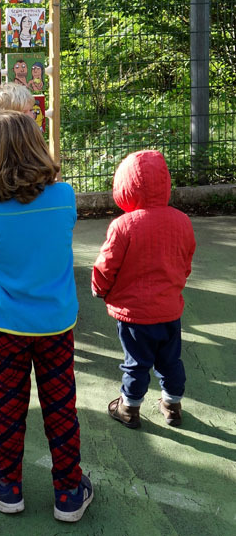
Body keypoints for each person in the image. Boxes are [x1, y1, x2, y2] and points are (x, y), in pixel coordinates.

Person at [0, 111, 93, 522]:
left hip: (7, 326)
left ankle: (7, 485)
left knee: (9, 404)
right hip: (55, 325)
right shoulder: (66, 196)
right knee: (61, 406)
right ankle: (69, 491)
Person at [92, 150, 196, 429]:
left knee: (136, 363)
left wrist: (99, 288)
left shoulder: (123, 225)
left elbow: (107, 265)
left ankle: (128, 407)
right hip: (169, 308)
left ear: (125, 186)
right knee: (170, 359)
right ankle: (172, 404)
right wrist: (175, 285)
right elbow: (185, 260)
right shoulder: (182, 221)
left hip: (134, 314)